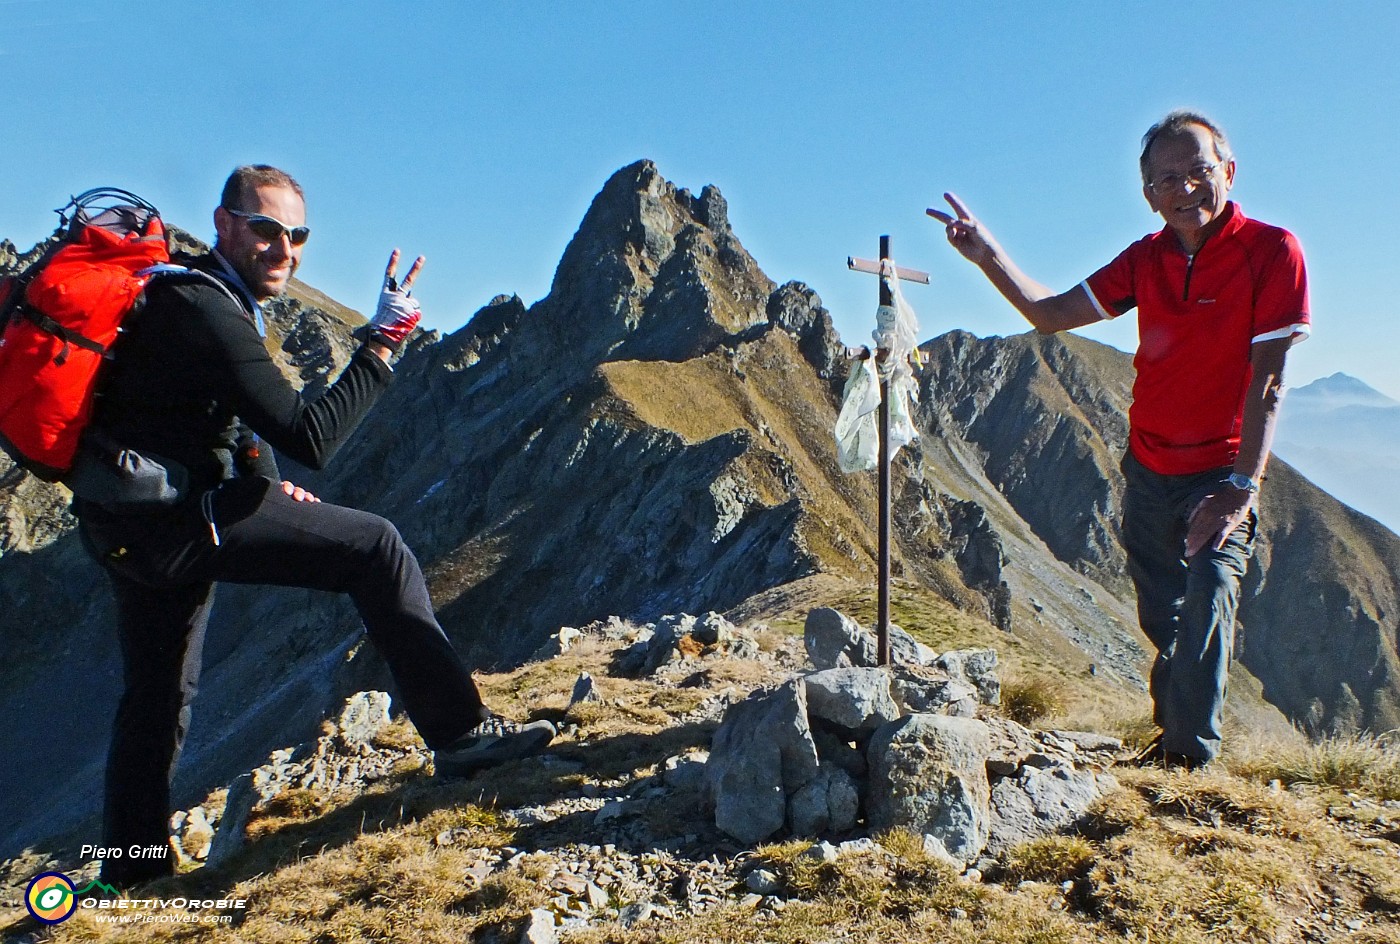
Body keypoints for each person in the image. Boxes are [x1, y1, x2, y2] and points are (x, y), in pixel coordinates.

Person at [77, 164, 555, 887]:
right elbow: (314, 435)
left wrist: (269, 490)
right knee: (377, 548)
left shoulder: (183, 293)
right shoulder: (208, 309)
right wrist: (384, 341)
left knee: (157, 694)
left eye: (297, 235)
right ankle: (461, 735)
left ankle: (129, 868)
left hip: (126, 522)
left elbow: (222, 415)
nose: (285, 249)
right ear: (225, 223)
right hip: (184, 523)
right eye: (267, 229)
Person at [927, 111, 1310, 769]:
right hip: (1149, 470)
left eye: (1200, 171)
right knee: (1164, 620)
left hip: (1221, 473)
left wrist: (1241, 489)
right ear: (1149, 195)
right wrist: (986, 254)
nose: (1187, 188)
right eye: (1169, 179)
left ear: (1229, 171)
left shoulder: (1272, 251)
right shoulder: (1147, 258)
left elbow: (1268, 384)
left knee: (1208, 601)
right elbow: (1050, 316)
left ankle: (1190, 764)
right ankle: (1173, 743)